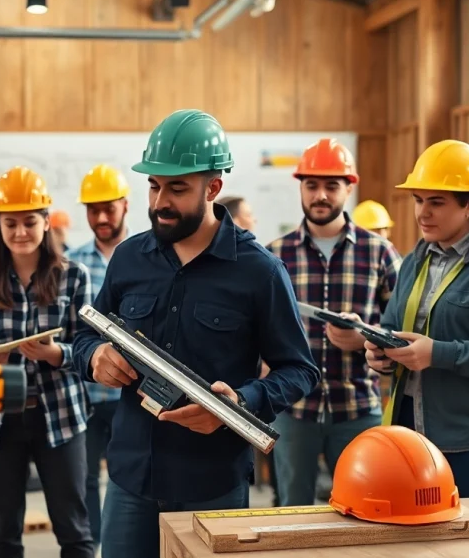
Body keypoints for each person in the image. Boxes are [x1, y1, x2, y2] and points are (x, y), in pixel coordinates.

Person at [71, 109, 321, 558]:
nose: (160, 202)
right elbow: (84, 335)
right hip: (130, 480)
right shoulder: (128, 259)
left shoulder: (260, 272)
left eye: (177, 188)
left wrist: (237, 404)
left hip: (212, 486)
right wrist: (94, 357)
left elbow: (300, 370)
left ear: (213, 188)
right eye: (154, 186)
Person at [356, 139, 469, 515]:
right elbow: (393, 325)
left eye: (436, 202)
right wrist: (380, 352)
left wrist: (437, 354)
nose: (422, 213)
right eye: (418, 200)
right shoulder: (416, 259)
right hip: (411, 432)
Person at [0, 166, 94, 558]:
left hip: (61, 414)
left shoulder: (74, 277)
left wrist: (57, 354)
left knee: (74, 531)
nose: (20, 232)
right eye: (10, 223)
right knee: (3, 534)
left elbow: (89, 350)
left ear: (46, 222)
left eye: (29, 222)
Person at [266, 138, 402, 507]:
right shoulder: (274, 255)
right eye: (311, 185)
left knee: (365, 508)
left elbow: (406, 331)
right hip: (294, 409)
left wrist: (364, 338)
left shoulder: (381, 253)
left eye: (331, 185)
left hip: (357, 407)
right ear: (301, 188)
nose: (321, 195)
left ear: (349, 188)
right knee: (293, 511)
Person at [65, 163, 132, 546]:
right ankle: (91, 548)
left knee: (132, 476)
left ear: (125, 205)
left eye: (109, 208)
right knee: (84, 479)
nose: (101, 218)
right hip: (86, 394)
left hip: (132, 393)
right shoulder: (71, 264)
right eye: (93, 210)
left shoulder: (148, 257)